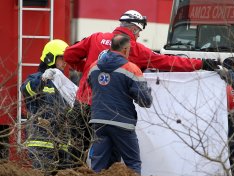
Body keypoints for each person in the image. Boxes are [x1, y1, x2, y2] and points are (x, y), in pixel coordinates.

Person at [63, 9, 219, 159]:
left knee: (75, 149)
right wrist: (201, 64)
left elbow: (69, 55)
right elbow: (168, 62)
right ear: (133, 29)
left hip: (84, 101)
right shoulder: (135, 49)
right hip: (109, 110)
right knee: (109, 154)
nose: (137, 36)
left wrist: (88, 71)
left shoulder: (96, 38)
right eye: (138, 32)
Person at [87, 34, 152, 174]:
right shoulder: (131, 69)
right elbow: (145, 101)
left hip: (99, 122)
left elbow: (92, 86)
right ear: (125, 49)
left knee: (98, 166)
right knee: (132, 164)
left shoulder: (93, 67)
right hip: (122, 123)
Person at [21, 39, 72, 174]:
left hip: (62, 142)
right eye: (62, 58)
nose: (65, 63)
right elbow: (26, 90)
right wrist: (43, 80)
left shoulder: (63, 83)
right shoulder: (35, 78)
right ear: (51, 58)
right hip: (41, 141)